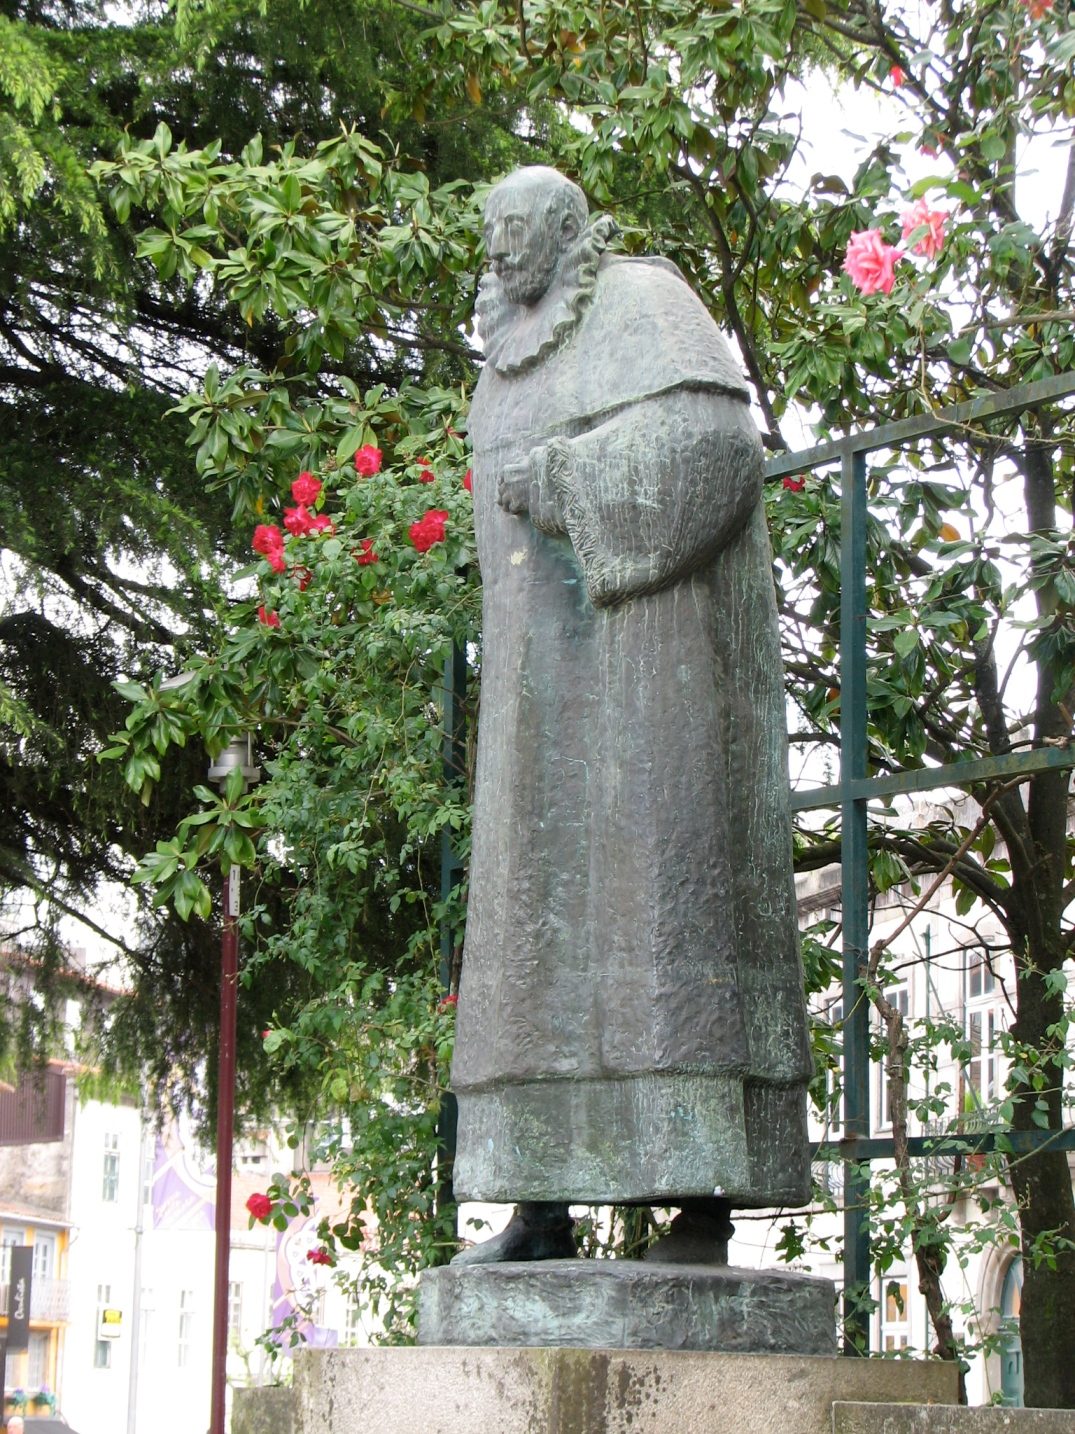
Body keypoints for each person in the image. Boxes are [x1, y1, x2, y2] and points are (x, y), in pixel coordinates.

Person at [451, 167, 813, 1263]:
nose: (498, 249)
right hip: (539, 707)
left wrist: (567, 481)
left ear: (567, 230)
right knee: (533, 941)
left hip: (652, 684)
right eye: (489, 230)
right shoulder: (502, 354)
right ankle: (539, 1207)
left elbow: (715, 456)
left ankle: (700, 1202)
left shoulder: (646, 304)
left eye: (517, 228)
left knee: (669, 918)